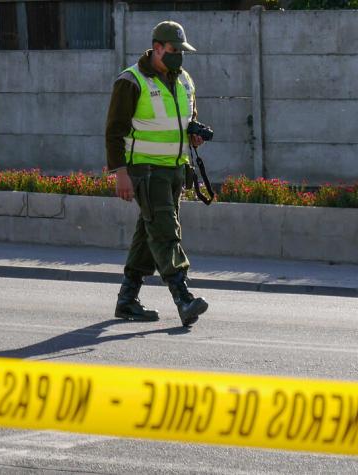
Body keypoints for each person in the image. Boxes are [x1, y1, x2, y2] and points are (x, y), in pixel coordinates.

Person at [104, 20, 208, 327]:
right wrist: (120, 173)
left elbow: (187, 117)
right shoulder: (131, 81)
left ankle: (127, 301)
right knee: (165, 231)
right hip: (146, 170)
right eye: (174, 50)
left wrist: (194, 133)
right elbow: (113, 132)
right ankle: (183, 297)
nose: (179, 56)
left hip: (175, 168)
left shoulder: (184, 79)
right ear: (158, 48)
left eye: (182, 51)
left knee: (148, 234)